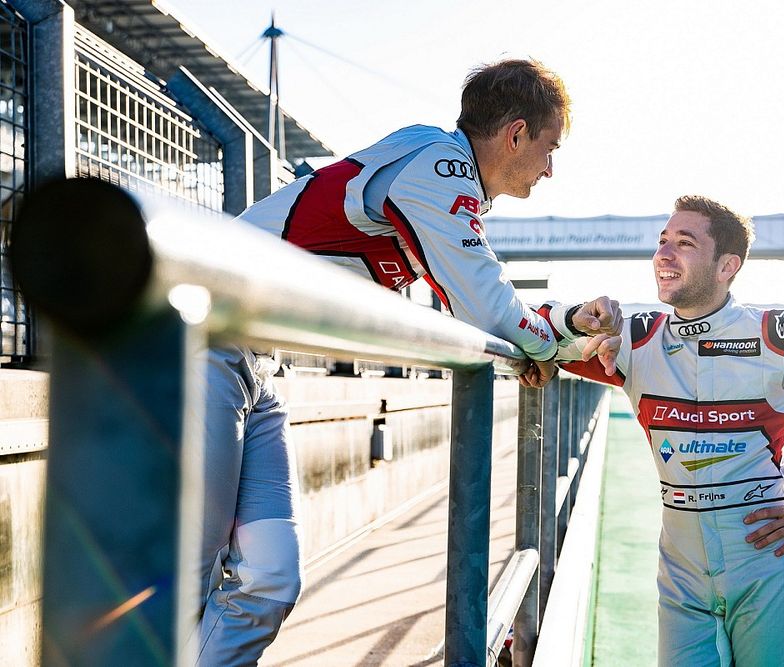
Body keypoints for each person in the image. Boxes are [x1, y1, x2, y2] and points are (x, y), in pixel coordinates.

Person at [193, 59, 621, 665]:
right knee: (187, 577)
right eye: (550, 149)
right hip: (197, 339)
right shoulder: (438, 168)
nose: (550, 169)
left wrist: (555, 333)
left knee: (268, 579)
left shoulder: (443, 174)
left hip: (255, 361)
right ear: (516, 133)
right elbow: (492, 311)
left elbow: (474, 306)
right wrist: (565, 336)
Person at [541, 195, 784, 666]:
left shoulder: (779, 334)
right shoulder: (634, 339)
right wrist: (564, 336)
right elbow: (530, 335)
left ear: (726, 266)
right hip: (681, 582)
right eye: (663, 241)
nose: (664, 255)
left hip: (768, 574)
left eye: (685, 243)